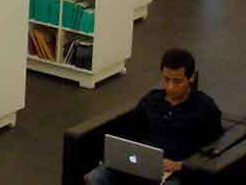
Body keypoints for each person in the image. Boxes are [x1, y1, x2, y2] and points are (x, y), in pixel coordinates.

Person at [85, 48, 222, 185]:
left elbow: (215, 149)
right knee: (96, 177)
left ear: (191, 78)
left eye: (177, 81)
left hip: (174, 172)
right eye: (166, 79)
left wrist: (181, 165)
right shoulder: (150, 101)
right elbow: (132, 134)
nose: (170, 87)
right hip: (141, 164)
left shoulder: (204, 108)